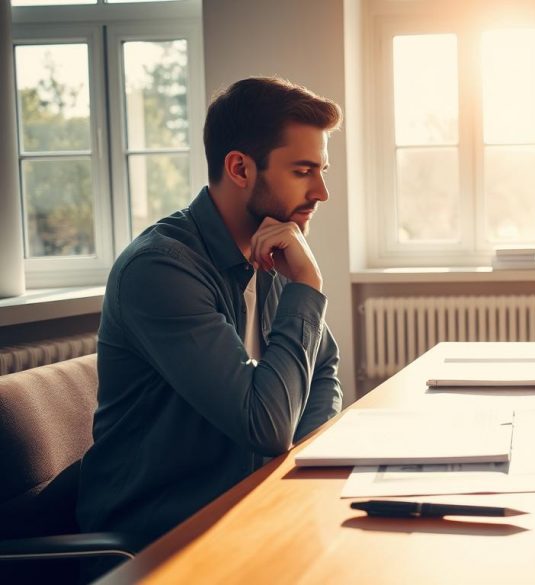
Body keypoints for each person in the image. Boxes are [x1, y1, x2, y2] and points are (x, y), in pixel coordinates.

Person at [77, 78, 344, 551]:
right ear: (240, 168)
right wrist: (307, 285)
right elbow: (266, 425)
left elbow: (321, 368)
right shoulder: (160, 269)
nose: (322, 191)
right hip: (162, 541)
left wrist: (303, 472)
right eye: (304, 171)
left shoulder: (273, 248)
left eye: (322, 170)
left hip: (251, 513)